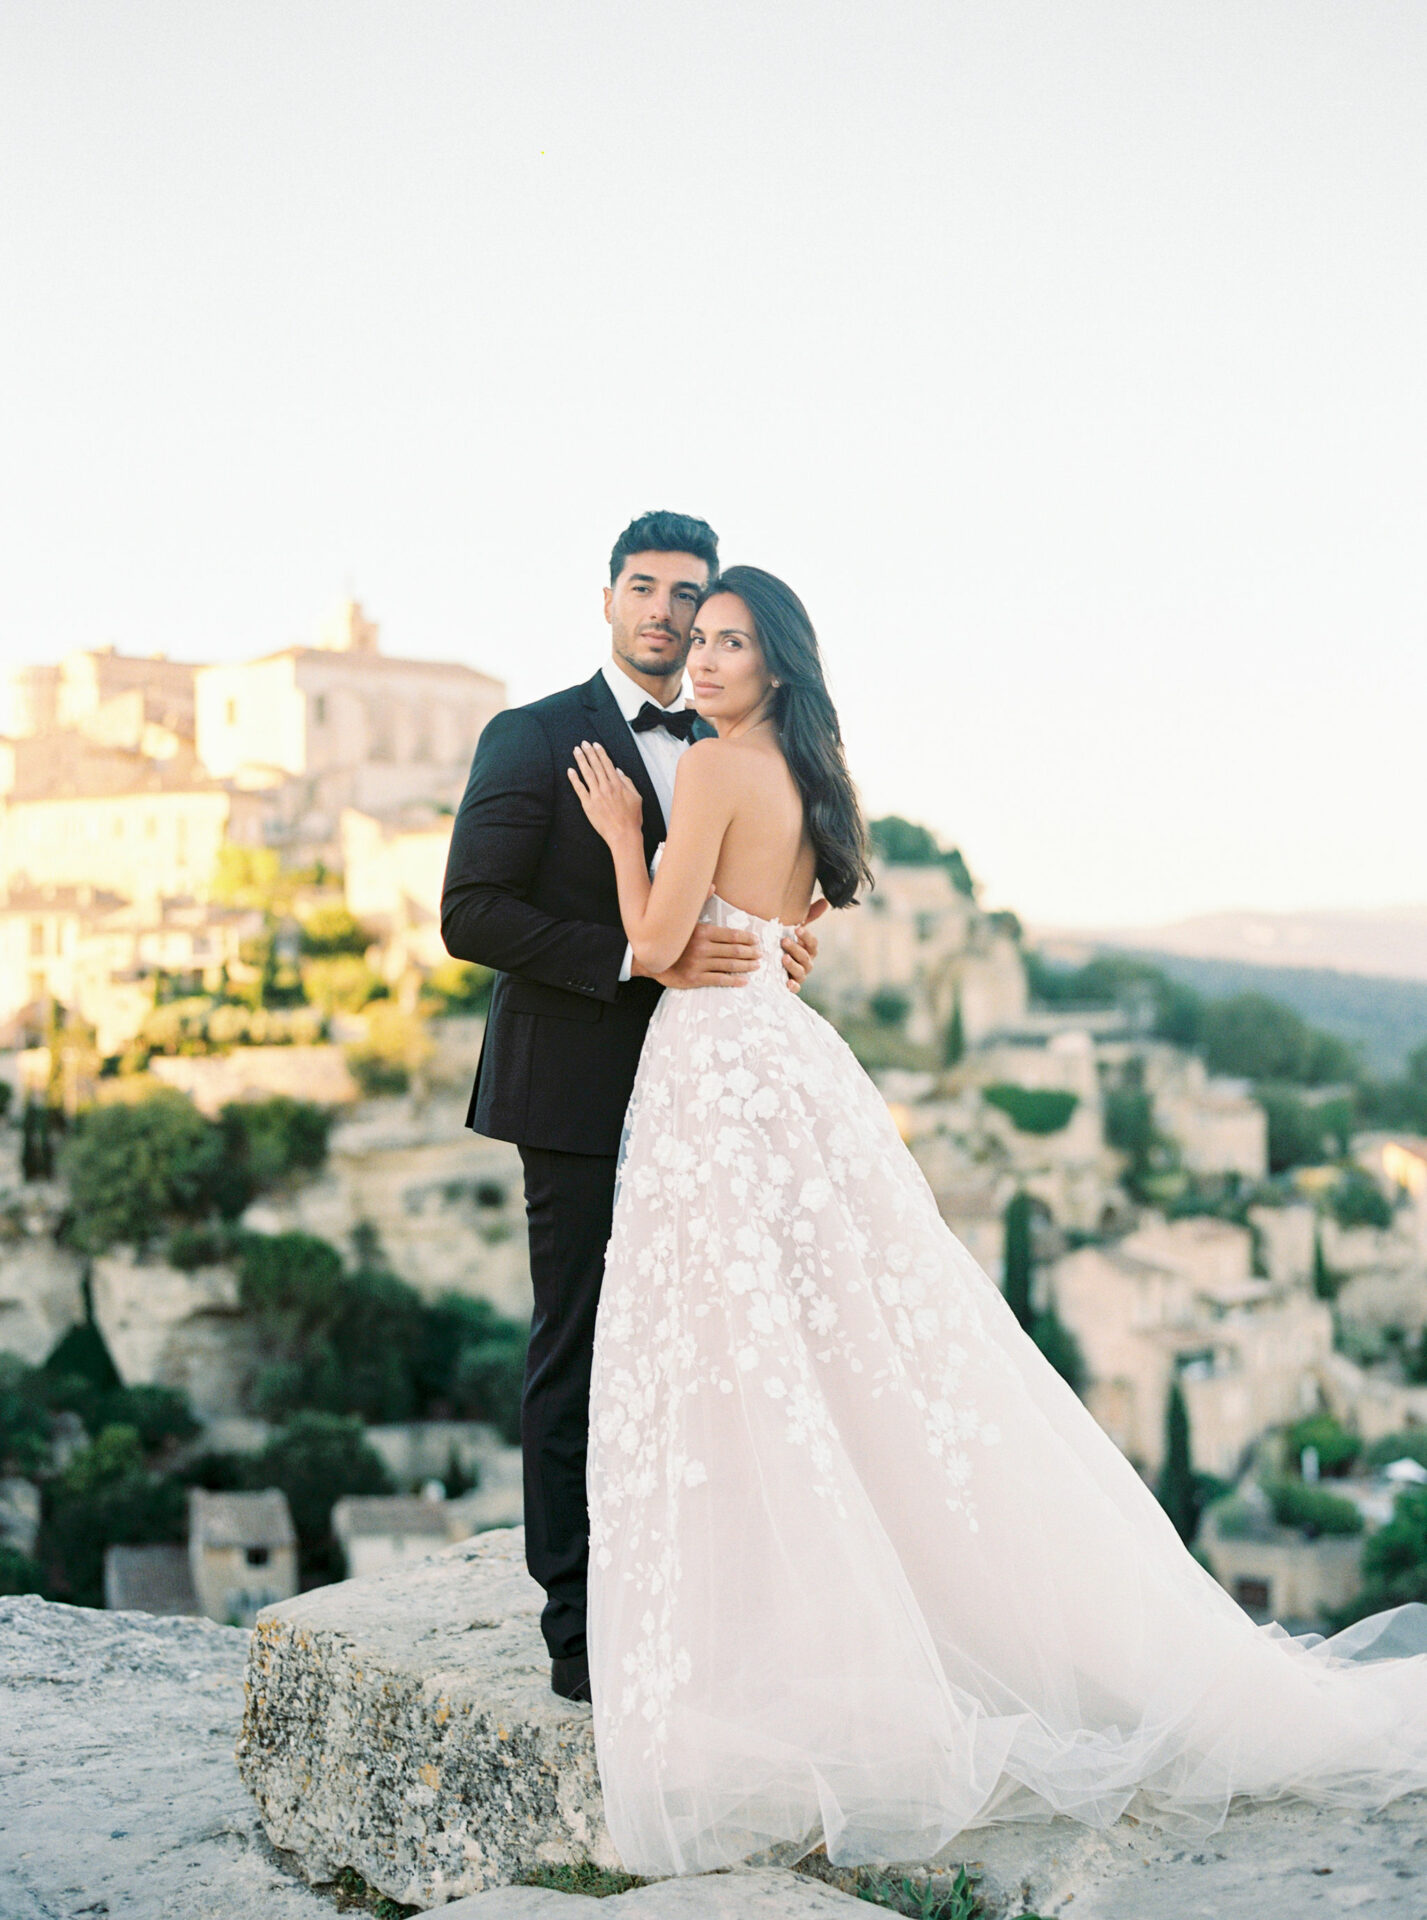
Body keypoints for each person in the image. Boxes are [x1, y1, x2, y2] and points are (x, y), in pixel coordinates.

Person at [567, 563, 1427, 1878]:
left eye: (731, 644)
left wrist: (626, 833)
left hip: (711, 1077)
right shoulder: (804, 784)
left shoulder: (719, 770)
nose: (704, 661)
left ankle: (772, 1647)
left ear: (776, 666)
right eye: (703, 641)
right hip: (782, 1062)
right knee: (822, 1352)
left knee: (734, 1356)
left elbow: (653, 934)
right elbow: (776, 931)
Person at [440, 513, 822, 1705]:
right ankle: (578, 1626)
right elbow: (472, 914)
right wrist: (631, 958)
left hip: (710, 1088)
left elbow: (757, 886)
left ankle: (707, 1593)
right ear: (606, 598)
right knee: (580, 1347)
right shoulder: (533, 734)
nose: (665, 615)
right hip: (577, 1095)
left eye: (690, 598)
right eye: (645, 590)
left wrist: (779, 946)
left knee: (710, 1346)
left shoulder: (734, 745)